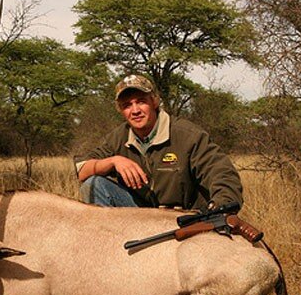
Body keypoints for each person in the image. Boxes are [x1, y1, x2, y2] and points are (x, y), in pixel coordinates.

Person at [74, 74, 243, 211]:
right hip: (140, 215)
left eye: (141, 101)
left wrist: (222, 205)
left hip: (184, 217)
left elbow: (221, 172)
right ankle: (110, 246)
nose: (135, 111)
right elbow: (82, 170)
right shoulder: (118, 137)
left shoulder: (188, 135)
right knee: (93, 184)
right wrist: (114, 161)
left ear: (154, 101)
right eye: (127, 105)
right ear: (121, 110)